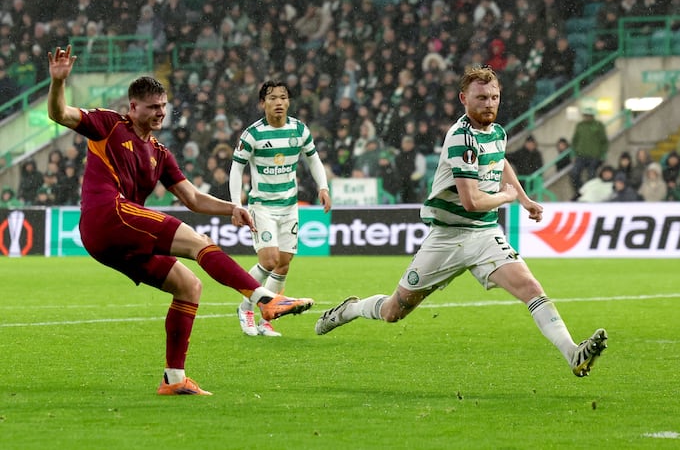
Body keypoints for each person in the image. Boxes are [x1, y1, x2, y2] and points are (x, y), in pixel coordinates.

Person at [47, 46, 314, 396]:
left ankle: (173, 379)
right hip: (107, 215)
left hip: (117, 239)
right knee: (196, 241)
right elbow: (59, 114)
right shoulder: (109, 125)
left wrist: (231, 207)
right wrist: (58, 83)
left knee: (189, 286)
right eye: (152, 107)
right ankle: (264, 299)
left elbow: (192, 198)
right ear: (133, 107)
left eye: (163, 106)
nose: (160, 112)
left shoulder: (160, 153)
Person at [314, 66, 607, 378]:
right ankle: (350, 309)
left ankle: (573, 353)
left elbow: (500, 160)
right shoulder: (461, 139)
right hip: (447, 238)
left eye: (494, 97)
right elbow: (472, 201)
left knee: (531, 288)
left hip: (484, 233)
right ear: (463, 99)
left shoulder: (497, 133)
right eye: (481, 97)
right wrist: (507, 198)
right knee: (393, 312)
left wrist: (523, 198)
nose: (489, 103)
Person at [229, 80, 331, 338]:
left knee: (283, 264)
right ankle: (246, 308)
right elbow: (236, 168)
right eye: (272, 98)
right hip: (262, 206)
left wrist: (324, 187)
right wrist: (236, 204)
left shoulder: (299, 129)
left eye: (283, 98)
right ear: (262, 103)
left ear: (289, 101)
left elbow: (314, 158)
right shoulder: (253, 134)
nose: (279, 103)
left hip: (289, 207)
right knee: (269, 260)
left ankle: (268, 317)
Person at [569, 106, 608, 200]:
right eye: (585, 115)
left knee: (591, 176)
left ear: (592, 116)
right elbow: (574, 140)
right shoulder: (580, 125)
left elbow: (604, 141)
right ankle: (580, 191)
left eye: (589, 115)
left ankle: (590, 195)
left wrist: (602, 154)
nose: (587, 117)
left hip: (594, 156)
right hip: (581, 156)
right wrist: (573, 154)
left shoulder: (599, 125)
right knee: (574, 173)